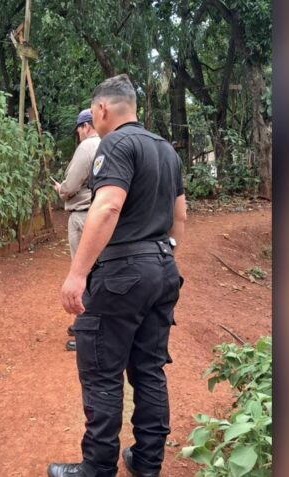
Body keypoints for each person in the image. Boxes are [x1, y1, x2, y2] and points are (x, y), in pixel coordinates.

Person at [48, 74, 187, 477]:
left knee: (102, 371)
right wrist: (163, 256)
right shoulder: (166, 150)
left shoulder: (116, 144)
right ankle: (146, 464)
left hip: (122, 272)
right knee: (148, 368)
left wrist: (77, 274)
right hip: (163, 268)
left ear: (102, 109)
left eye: (93, 112)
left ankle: (97, 468)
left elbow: (107, 207)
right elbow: (180, 216)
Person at [53, 108, 101, 352]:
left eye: (79, 128)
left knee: (83, 271)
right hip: (98, 216)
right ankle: (83, 323)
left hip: (82, 215)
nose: (79, 134)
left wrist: (60, 189)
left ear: (86, 126)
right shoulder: (107, 143)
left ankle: (86, 328)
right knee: (94, 269)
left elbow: (71, 185)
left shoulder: (87, 147)